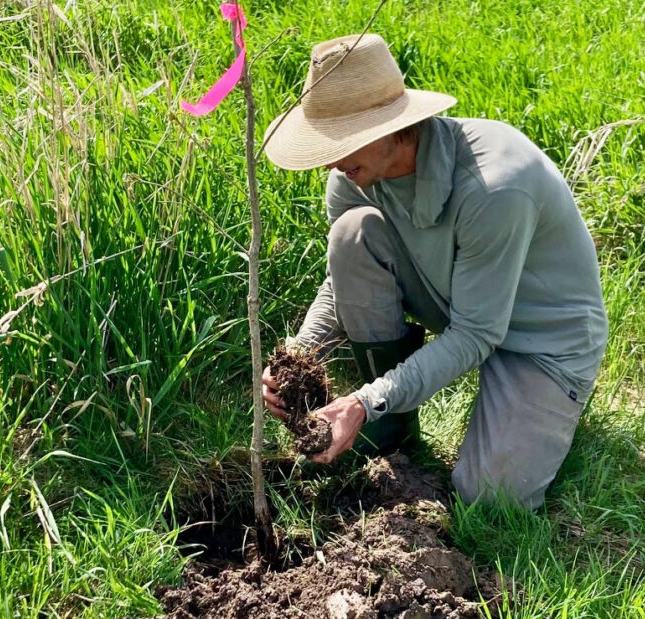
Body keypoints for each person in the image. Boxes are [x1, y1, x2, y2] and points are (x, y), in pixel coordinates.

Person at [259, 33, 608, 509]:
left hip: (542, 337)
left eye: (345, 141)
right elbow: (340, 276)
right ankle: (390, 430)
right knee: (351, 234)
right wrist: (298, 354)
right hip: (454, 300)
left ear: (394, 126)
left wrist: (361, 401)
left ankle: (549, 401)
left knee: (489, 499)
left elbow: (476, 333)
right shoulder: (353, 174)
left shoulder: (494, 188)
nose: (333, 160)